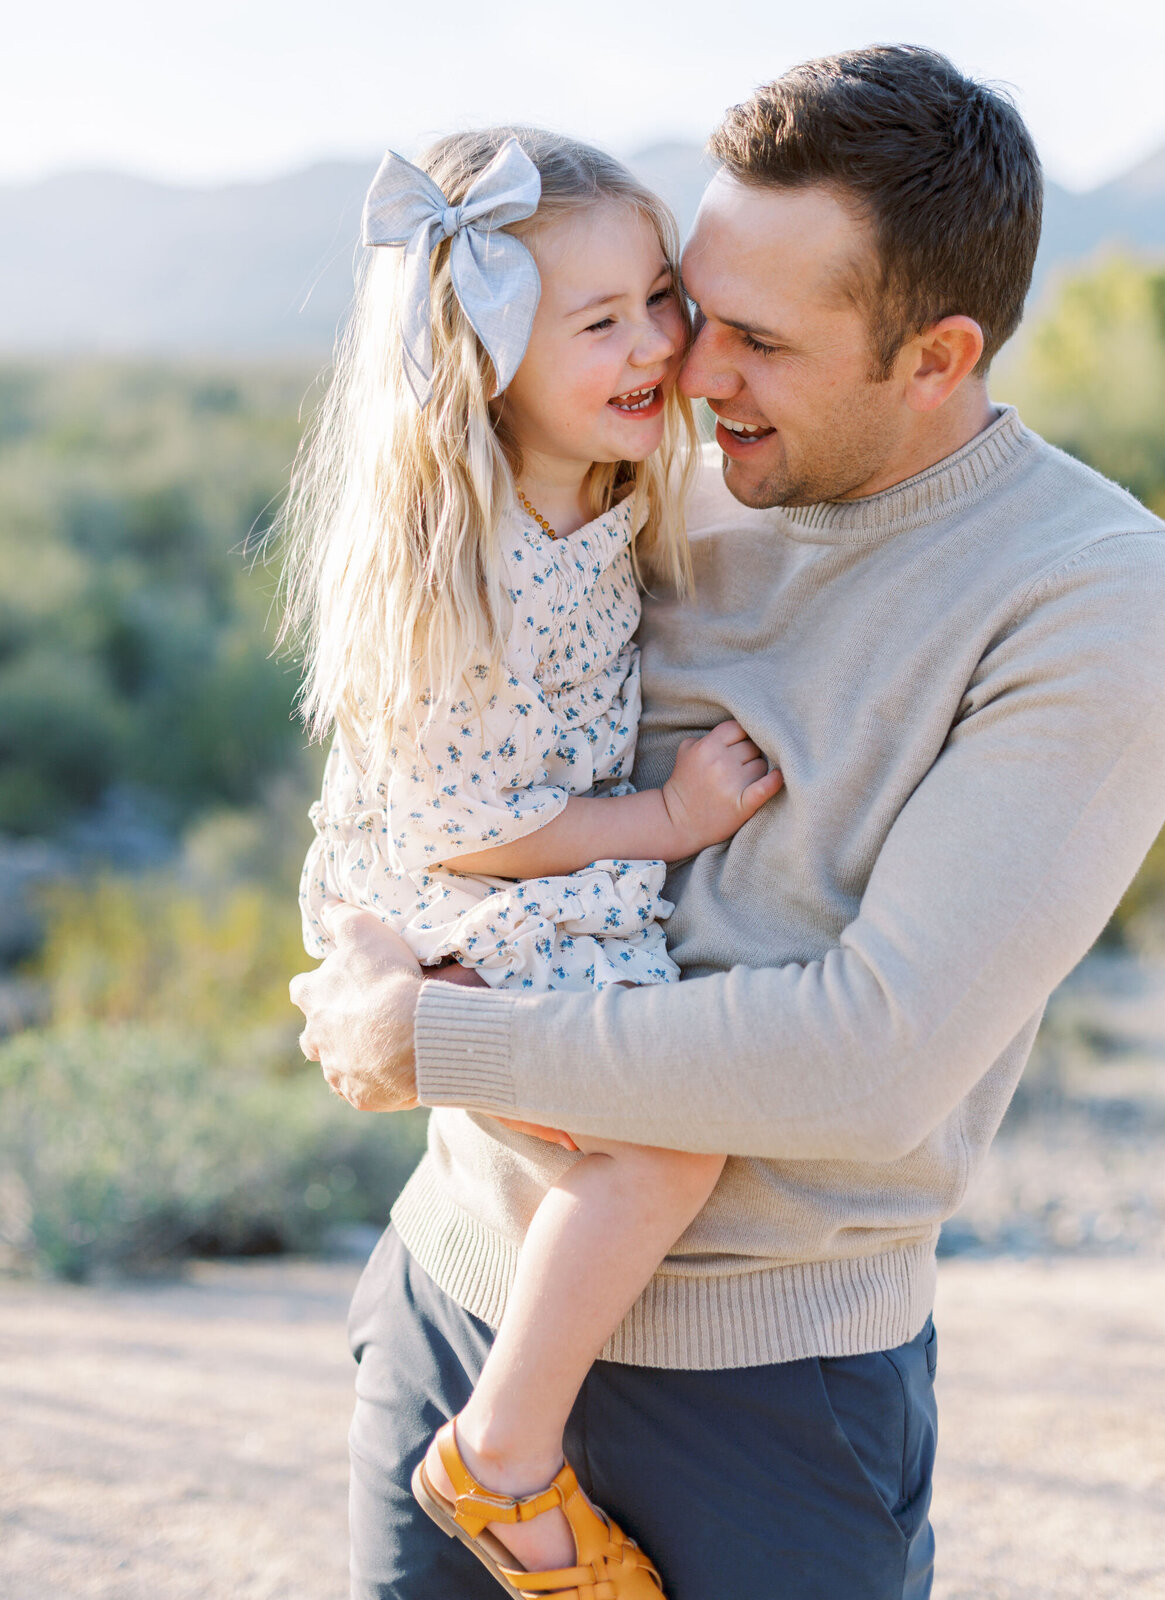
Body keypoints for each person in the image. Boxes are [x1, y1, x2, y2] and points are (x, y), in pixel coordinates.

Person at [290, 46, 1165, 1600]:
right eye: (691, 309)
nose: (695, 373)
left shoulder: (1096, 601)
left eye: (758, 341)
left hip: (764, 1405)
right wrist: (356, 931)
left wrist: (431, 1041)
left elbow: (870, 1057)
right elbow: (420, 763)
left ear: (938, 352)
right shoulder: (644, 478)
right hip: (456, 1293)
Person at [279, 127, 782, 1598]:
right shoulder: (476, 552)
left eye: (660, 299)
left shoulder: (599, 485)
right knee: (665, 1144)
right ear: (488, 354)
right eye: (602, 321)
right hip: (474, 883)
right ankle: (500, 1458)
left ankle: (503, 1438)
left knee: (649, 1127)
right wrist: (671, 822)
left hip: (518, 867)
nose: (656, 345)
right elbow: (465, 827)